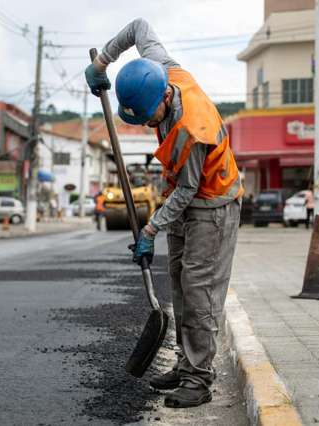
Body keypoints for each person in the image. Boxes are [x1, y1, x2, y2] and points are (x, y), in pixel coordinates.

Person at [86, 18, 243, 409]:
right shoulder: (160, 67)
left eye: (150, 118)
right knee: (178, 282)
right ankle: (184, 362)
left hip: (213, 203)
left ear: (164, 99)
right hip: (185, 197)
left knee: (198, 290)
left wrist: (150, 230)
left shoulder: (192, 129)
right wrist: (103, 62)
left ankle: (199, 379)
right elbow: (139, 27)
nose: (150, 125)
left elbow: (189, 190)